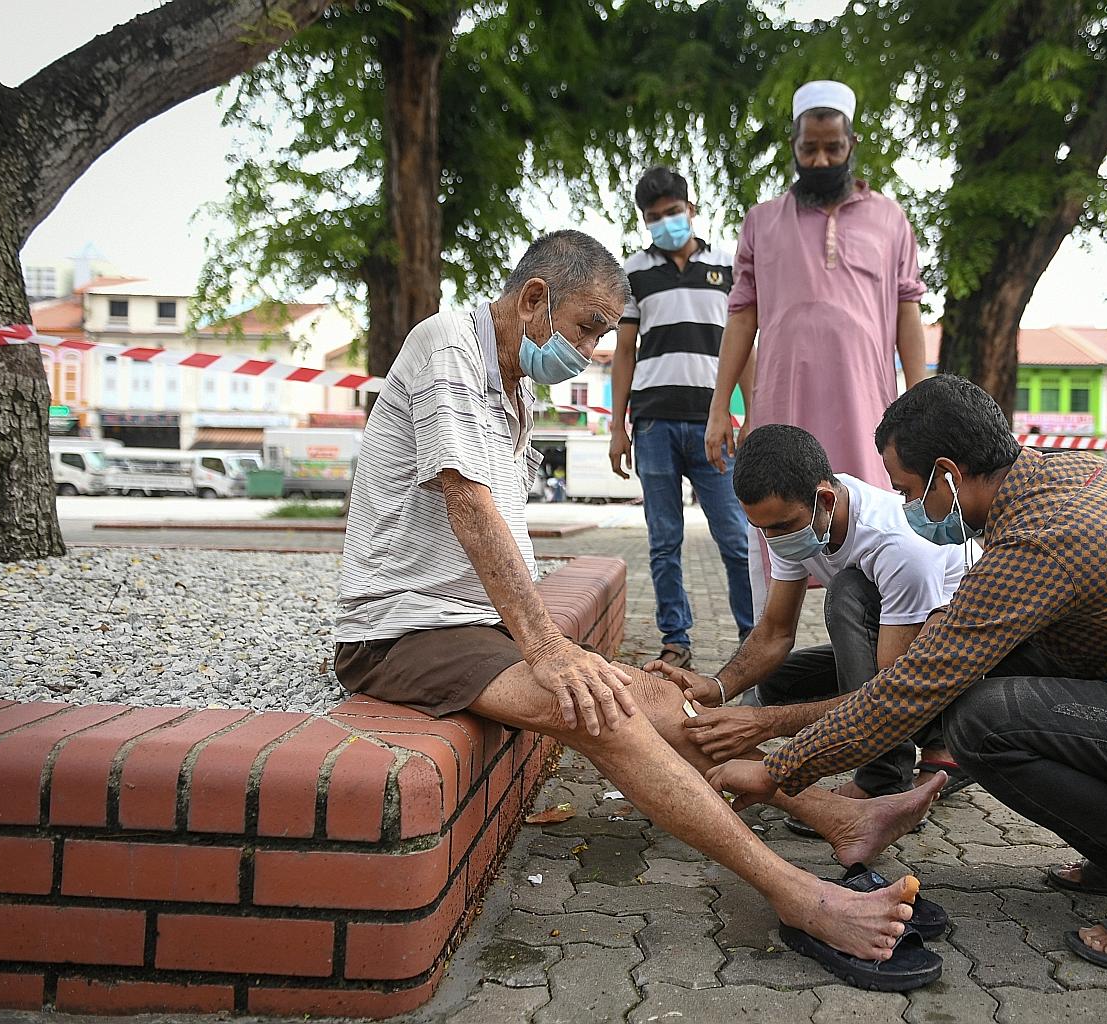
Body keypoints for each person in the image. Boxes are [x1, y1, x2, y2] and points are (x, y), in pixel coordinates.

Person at [334, 230, 947, 989]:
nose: (594, 350)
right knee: (602, 712)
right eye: (589, 328)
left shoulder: (512, 383)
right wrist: (551, 651)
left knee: (655, 694)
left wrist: (565, 650)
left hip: (474, 627)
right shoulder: (446, 349)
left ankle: (835, 816)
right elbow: (469, 505)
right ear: (534, 300)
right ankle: (799, 896)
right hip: (405, 631)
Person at [709, 375, 1107, 980]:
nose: (905, 508)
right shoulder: (1068, 479)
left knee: (987, 719)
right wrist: (909, 797)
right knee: (989, 686)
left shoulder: (1041, 538)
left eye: (908, 491)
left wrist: (778, 769)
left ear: (949, 475)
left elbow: (913, 685)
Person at [649, 424, 979, 816]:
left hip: (961, 664)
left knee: (847, 594)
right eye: (762, 529)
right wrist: (717, 687)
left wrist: (767, 727)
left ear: (824, 498)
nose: (773, 539)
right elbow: (774, 633)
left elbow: (894, 692)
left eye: (781, 527)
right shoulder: (798, 522)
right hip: (902, 651)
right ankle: (943, 748)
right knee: (773, 681)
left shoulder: (896, 543)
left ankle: (886, 780)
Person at [704, 78, 927, 511]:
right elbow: (741, 318)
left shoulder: (889, 219)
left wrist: (921, 407)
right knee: (781, 521)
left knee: (867, 524)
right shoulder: (761, 222)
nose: (820, 160)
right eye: (809, 149)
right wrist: (719, 409)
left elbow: (908, 312)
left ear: (852, 144)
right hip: (782, 401)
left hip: (866, 405)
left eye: (833, 148)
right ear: (793, 145)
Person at [609, 166, 754, 668]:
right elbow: (625, 351)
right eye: (655, 217)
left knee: (736, 537)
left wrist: (751, 413)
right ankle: (677, 640)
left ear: (691, 209)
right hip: (652, 424)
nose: (666, 222)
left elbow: (745, 346)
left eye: (673, 212)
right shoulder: (632, 273)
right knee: (663, 539)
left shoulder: (729, 267)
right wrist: (616, 427)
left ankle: (752, 639)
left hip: (714, 423)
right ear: (644, 222)